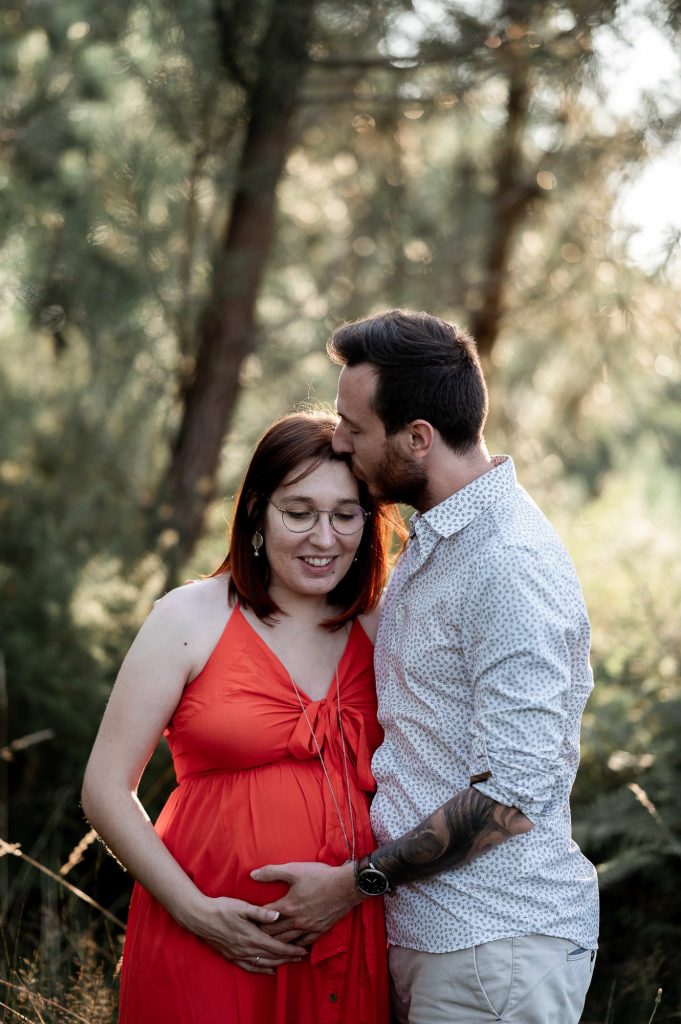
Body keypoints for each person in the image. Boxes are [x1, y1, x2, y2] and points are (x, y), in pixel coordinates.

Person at [252, 310, 600, 1024]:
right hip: (435, 940)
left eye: (354, 427)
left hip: (494, 944)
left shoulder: (506, 564)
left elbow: (512, 794)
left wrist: (351, 885)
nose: (339, 442)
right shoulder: (439, 539)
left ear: (416, 438)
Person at [81, 410, 404, 1024]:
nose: (324, 537)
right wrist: (195, 911)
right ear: (257, 511)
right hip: (203, 940)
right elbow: (104, 788)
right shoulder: (189, 618)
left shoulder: (383, 627)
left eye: (344, 514)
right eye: (298, 511)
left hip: (345, 939)